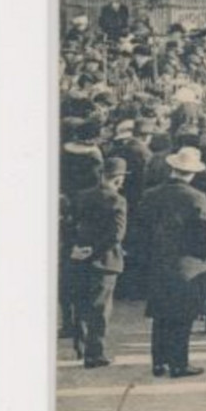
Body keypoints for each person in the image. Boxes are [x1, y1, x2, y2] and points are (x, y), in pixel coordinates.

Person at [136, 146, 206, 379]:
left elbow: (139, 231)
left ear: (172, 168)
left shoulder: (151, 195)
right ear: (192, 173)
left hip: (158, 262)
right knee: (182, 317)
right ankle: (179, 364)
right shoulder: (196, 197)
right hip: (187, 264)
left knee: (161, 315)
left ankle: (158, 363)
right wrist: (202, 259)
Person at [66, 157, 128, 368]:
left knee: (81, 304)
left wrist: (76, 248)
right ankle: (95, 353)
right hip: (105, 261)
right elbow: (116, 235)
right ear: (119, 179)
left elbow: (70, 225)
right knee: (100, 309)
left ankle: (80, 348)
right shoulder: (117, 200)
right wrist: (94, 251)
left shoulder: (81, 197)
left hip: (79, 258)